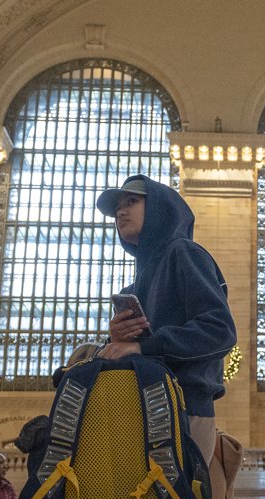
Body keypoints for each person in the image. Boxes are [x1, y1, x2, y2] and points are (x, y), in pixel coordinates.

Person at [96, 174, 236, 466]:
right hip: (141, 405)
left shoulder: (184, 253)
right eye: (118, 208)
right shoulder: (134, 287)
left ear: (160, 207)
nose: (121, 212)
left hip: (184, 406)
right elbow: (139, 348)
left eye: (132, 202)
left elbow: (220, 330)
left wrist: (143, 347)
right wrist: (118, 339)